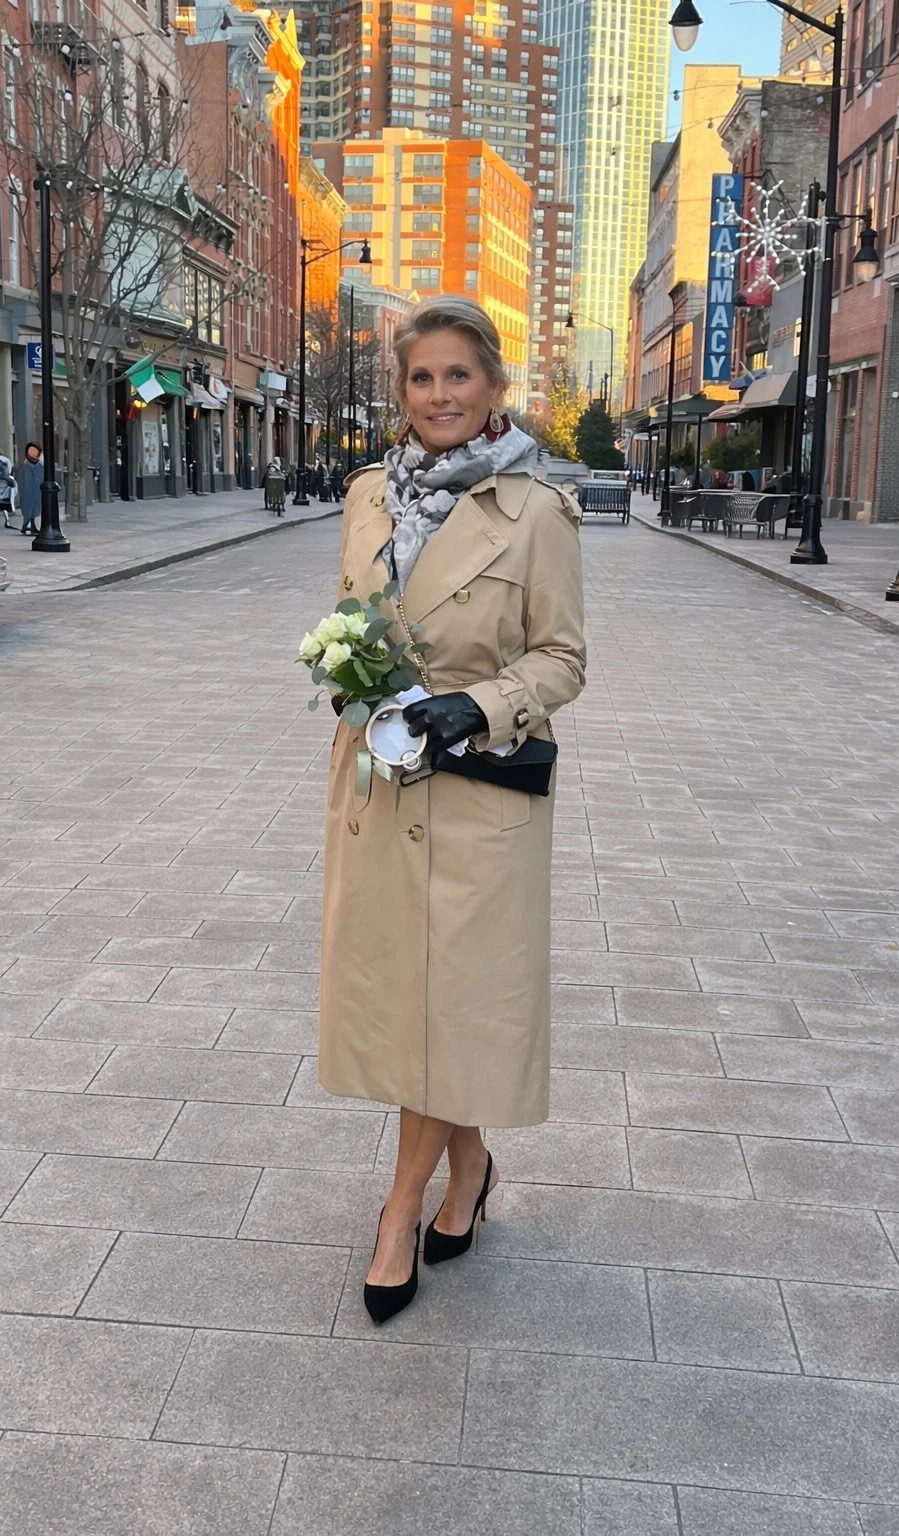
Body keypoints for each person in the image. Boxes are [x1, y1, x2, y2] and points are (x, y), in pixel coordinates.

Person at [319, 294, 586, 1325]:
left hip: (477, 797)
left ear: (493, 388)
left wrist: (475, 705)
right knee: (414, 1011)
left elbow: (561, 659)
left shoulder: (537, 512)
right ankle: (467, 1166)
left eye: (458, 376)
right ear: (403, 389)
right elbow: (353, 616)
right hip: (380, 793)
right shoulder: (365, 496)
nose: (439, 395)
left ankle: (399, 1213)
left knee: (449, 1008)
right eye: (422, 377)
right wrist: (345, 673)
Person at [17, 443, 42, 536]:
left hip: (37, 490)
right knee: (28, 507)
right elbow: (20, 480)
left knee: (35, 507)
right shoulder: (24, 467)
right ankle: (29, 525)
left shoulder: (40, 466)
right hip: (27, 491)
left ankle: (29, 525)